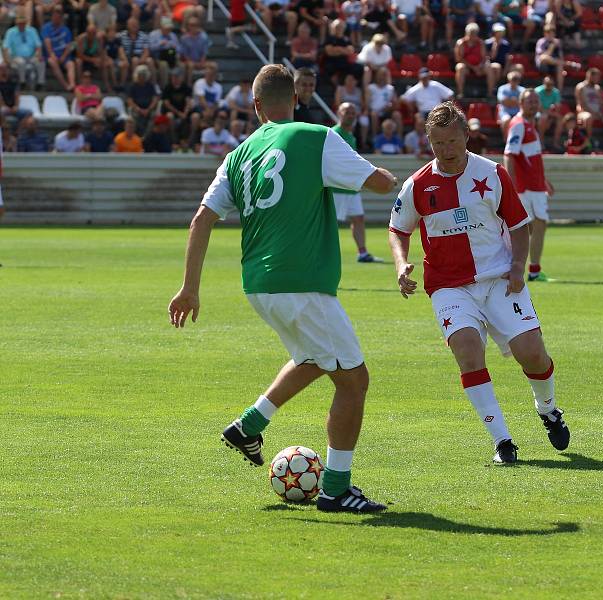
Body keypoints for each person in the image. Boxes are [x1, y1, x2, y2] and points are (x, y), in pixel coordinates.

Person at [168, 63, 396, 513]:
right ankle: (335, 488)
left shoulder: (237, 155)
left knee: (313, 358)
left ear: (255, 106)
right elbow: (378, 184)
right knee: (354, 382)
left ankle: (249, 426)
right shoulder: (315, 136)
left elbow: (202, 219)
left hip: (259, 284)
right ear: (296, 100)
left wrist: (189, 288)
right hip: (303, 282)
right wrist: (389, 177)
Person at [387, 100, 570, 465]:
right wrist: (401, 263)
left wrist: (519, 265)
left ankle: (547, 408)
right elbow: (397, 229)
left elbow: (520, 225)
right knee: (468, 353)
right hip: (449, 287)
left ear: (466, 136)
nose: (446, 150)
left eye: (452, 141)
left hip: (500, 278)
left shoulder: (492, 174)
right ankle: (503, 441)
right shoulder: (417, 185)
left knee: (532, 353)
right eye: (438, 144)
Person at [504, 88, 554, 281]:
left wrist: (545, 181)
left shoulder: (529, 124)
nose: (533, 104)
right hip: (526, 187)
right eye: (529, 101)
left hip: (536, 185)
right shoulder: (519, 125)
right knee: (531, 227)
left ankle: (532, 270)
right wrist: (512, 186)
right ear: (521, 104)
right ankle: (530, 270)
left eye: (535, 101)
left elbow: (532, 159)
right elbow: (509, 155)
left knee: (534, 226)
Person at [332, 102, 382, 263]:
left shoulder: (351, 136)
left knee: (358, 218)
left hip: (351, 188)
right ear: (339, 113)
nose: (351, 115)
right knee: (330, 224)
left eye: (353, 112)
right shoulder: (333, 134)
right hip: (336, 188)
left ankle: (362, 253)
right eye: (347, 112)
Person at [454, 22, 500, 98]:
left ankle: (490, 93)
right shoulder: (461, 43)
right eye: (471, 33)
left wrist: (480, 66)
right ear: (466, 33)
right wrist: (473, 67)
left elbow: (484, 57)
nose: (472, 35)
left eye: (474, 33)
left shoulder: (481, 43)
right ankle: (460, 92)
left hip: (479, 66)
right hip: (467, 67)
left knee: (489, 68)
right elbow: (459, 59)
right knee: (460, 67)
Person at [2, 15, 45, 90]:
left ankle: (40, 83)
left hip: (31, 57)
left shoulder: (32, 30)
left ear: (26, 23)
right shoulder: (11, 32)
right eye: (19, 23)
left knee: (41, 62)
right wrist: (7, 60)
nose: (21, 25)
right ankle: (22, 82)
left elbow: (38, 45)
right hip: (15, 57)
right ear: (16, 23)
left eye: (23, 23)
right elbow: (5, 47)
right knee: (21, 62)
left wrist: (39, 55)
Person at [42, 6, 77, 91]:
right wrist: (52, 54)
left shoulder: (66, 30)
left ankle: (72, 84)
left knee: (70, 64)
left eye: (58, 17)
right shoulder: (46, 28)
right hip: (51, 56)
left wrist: (64, 56)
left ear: (61, 18)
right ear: (52, 16)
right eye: (54, 16)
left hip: (63, 56)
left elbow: (69, 45)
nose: (56, 18)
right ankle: (65, 86)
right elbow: (47, 42)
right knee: (52, 61)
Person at [535, 75, 564, 149]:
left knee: (560, 120)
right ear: (543, 83)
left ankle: (555, 143)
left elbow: (557, 107)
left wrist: (551, 118)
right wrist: (550, 114)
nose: (549, 86)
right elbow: (539, 109)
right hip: (538, 113)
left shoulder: (556, 92)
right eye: (548, 84)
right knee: (543, 117)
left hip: (550, 114)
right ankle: (540, 142)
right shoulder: (537, 91)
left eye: (551, 84)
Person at [535, 25, 564, 90]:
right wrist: (552, 46)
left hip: (554, 65)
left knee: (560, 66)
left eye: (552, 33)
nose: (550, 35)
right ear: (545, 33)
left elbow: (561, 56)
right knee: (544, 58)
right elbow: (544, 56)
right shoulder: (541, 41)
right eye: (548, 33)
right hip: (543, 64)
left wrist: (558, 46)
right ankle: (567, 64)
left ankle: (560, 90)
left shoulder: (557, 42)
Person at [496, 69, 524, 134]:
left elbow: (523, 103)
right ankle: (506, 141)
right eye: (513, 79)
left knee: (521, 121)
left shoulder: (522, 90)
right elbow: (503, 101)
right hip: (505, 112)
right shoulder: (502, 88)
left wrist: (509, 102)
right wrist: (516, 102)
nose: (514, 81)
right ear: (509, 80)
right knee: (507, 120)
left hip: (518, 113)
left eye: (516, 79)